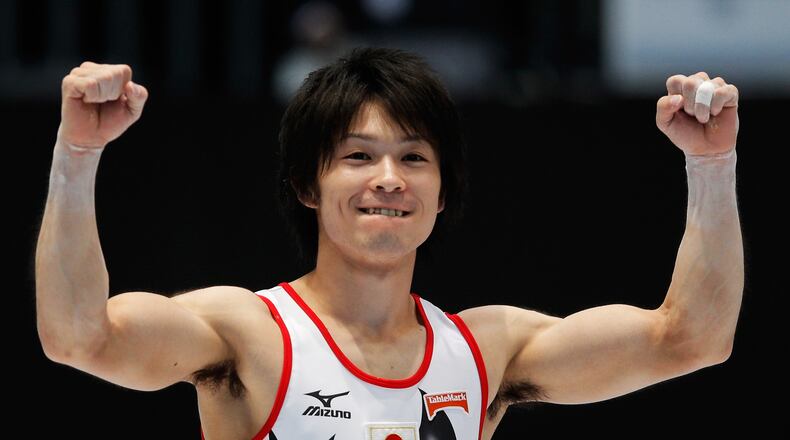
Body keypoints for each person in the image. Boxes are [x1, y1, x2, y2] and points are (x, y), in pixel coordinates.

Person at [35, 47, 743, 440]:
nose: (388, 180)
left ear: (443, 191)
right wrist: (77, 154)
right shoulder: (247, 335)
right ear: (306, 187)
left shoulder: (488, 353)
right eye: (356, 156)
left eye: (413, 158)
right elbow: (78, 338)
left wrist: (710, 165)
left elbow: (691, 340)